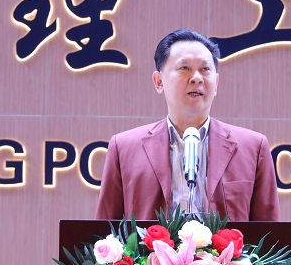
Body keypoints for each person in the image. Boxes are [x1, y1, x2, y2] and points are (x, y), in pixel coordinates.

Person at [95, 29, 280, 221]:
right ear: (159, 81)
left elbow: (270, 233)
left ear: (216, 83)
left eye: (205, 69)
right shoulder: (124, 148)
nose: (197, 77)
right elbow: (104, 231)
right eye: (184, 68)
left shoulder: (253, 147)